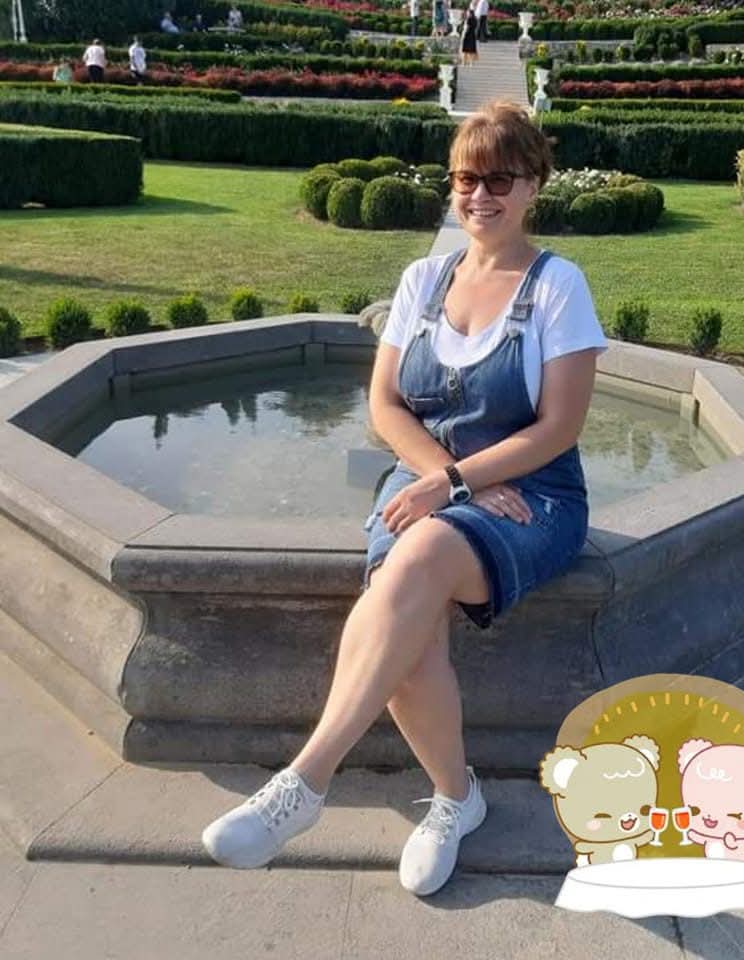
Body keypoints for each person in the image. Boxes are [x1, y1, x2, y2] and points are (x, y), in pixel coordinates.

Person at [201, 99, 608, 897]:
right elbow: (385, 407)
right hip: (424, 479)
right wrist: (442, 478)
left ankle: (304, 781)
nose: (479, 195)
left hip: (530, 495)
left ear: (533, 186)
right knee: (409, 631)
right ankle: (456, 800)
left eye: (499, 179)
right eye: (465, 179)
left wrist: (459, 483)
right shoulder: (424, 280)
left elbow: (559, 428)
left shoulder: (558, 286)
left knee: (413, 561)